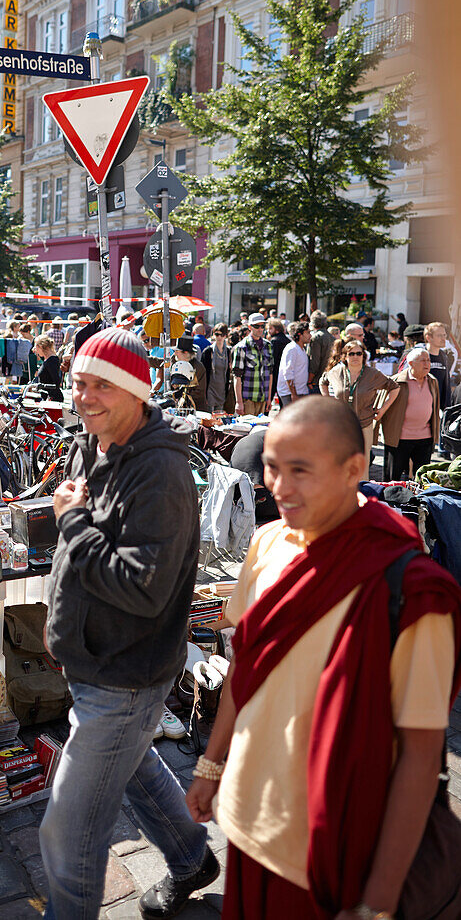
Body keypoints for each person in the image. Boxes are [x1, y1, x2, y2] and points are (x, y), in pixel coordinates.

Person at [185, 396, 461, 920]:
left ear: (355, 468)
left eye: (301, 471)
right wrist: (210, 765)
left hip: (339, 848)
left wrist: (376, 905)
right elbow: (246, 663)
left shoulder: (411, 590)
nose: (280, 488)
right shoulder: (267, 544)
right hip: (249, 823)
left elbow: (423, 759)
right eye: (271, 468)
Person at [40, 327, 219, 919]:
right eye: (79, 383)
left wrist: (70, 522)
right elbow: (88, 548)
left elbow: (142, 588)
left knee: (68, 838)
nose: (84, 397)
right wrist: (59, 620)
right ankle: (193, 859)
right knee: (137, 766)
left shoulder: (161, 473)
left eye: (101, 387)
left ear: (137, 392)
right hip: (95, 664)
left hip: (126, 676)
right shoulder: (96, 443)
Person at [320, 339, 399, 477]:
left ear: (364, 356)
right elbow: (323, 381)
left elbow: (394, 387)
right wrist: (327, 400)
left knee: (362, 463)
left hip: (364, 424)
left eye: (359, 353)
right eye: (351, 354)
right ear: (345, 356)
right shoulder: (336, 371)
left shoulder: (372, 374)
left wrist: (382, 410)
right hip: (341, 425)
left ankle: (362, 493)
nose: (355, 357)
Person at [380, 346, 440, 480]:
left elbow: (435, 409)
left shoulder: (432, 381)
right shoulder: (397, 381)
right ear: (411, 363)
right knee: (392, 478)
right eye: (423, 360)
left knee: (422, 479)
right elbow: (383, 407)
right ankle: (389, 501)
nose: (427, 364)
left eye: (428, 360)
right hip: (400, 438)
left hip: (425, 437)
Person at [232, 313, 273, 416]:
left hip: (263, 398)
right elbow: (237, 376)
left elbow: (270, 374)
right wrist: (239, 402)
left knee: (260, 430)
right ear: (250, 327)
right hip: (247, 399)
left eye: (262, 326)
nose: (260, 329)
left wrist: (269, 399)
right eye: (256, 326)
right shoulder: (241, 347)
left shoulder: (268, 345)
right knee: (247, 430)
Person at [276, 322, 310, 406]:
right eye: (308, 333)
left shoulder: (301, 349)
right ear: (300, 334)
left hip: (300, 392)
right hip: (289, 394)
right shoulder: (292, 348)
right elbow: (288, 373)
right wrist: (293, 394)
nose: (310, 335)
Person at [422, 321, 452, 410]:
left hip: (438, 408)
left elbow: (446, 383)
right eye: (439, 336)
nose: (443, 339)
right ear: (428, 338)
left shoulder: (444, 356)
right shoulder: (421, 355)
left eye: (444, 335)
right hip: (423, 406)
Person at [171, 336, 207, 410]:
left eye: (177, 351)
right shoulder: (174, 361)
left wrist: (182, 396)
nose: (175, 354)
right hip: (179, 406)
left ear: (185, 352)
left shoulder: (197, 367)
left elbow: (198, 392)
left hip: (195, 408)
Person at [204, 322, 231, 412]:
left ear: (225, 336)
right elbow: (204, 373)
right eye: (217, 334)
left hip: (222, 389)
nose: (219, 337)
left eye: (222, 335)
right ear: (213, 335)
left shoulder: (228, 351)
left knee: (220, 416)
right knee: (209, 416)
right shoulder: (208, 351)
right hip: (210, 389)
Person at [307, 310, 333, 393]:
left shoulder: (316, 337)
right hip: (328, 379)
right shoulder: (331, 337)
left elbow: (314, 362)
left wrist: (309, 381)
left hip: (317, 381)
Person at [32, 334, 64, 402]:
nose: (35, 350)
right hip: (47, 397)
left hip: (52, 398)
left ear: (41, 347)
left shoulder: (52, 360)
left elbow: (56, 381)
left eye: (36, 347)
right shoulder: (48, 359)